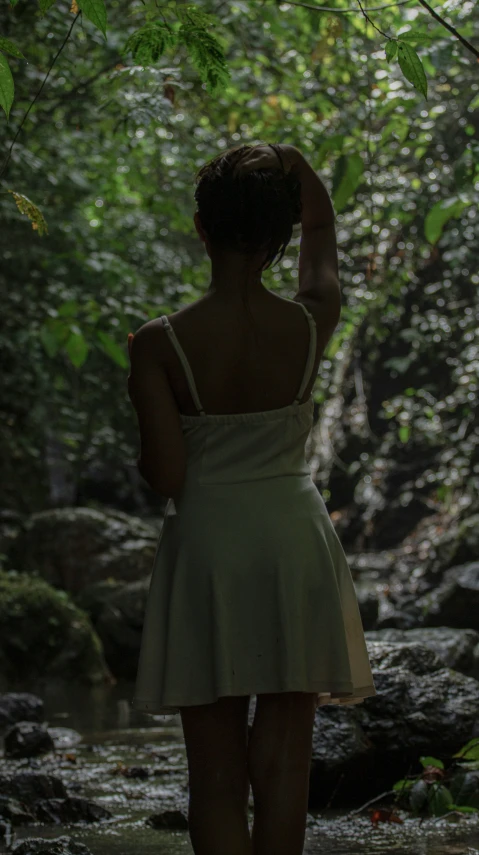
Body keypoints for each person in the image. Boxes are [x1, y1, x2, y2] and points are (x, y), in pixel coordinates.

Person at [127, 143, 376, 855]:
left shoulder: (158, 343)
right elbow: (322, 240)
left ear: (200, 228)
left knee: (213, 778)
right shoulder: (309, 321)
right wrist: (299, 166)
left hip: (208, 543)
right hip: (292, 541)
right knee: (285, 765)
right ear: (280, 237)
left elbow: (167, 475)